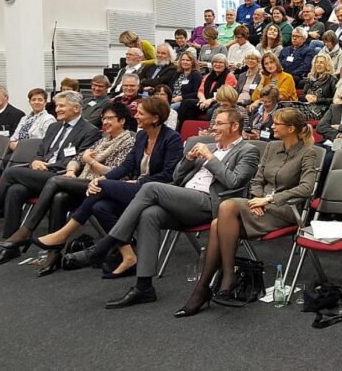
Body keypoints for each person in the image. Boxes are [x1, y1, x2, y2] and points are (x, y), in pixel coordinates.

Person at [66, 108, 260, 309]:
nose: (214, 128)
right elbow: (176, 177)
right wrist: (189, 159)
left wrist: (210, 158)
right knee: (149, 214)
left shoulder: (248, 150)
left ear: (235, 126)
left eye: (219, 123)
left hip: (210, 204)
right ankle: (144, 286)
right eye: (214, 123)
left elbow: (234, 182)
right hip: (184, 198)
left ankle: (105, 245)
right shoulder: (207, 146)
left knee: (150, 188)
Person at [175, 107, 317, 314]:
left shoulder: (308, 153)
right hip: (257, 205)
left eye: (277, 124)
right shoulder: (271, 147)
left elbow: (306, 189)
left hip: (285, 208)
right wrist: (255, 200)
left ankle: (227, 276)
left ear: (291, 128)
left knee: (227, 205)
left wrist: (267, 200)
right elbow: (257, 180)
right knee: (216, 224)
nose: (272, 127)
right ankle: (203, 288)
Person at [36, 98, 183, 271]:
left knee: (99, 187)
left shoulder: (172, 138)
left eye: (141, 113)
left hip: (157, 190)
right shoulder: (142, 136)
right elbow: (127, 166)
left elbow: (168, 175)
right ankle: (129, 256)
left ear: (155, 118)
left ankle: (64, 233)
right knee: (100, 207)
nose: (136, 116)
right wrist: (101, 180)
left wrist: (137, 181)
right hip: (136, 187)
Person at [0, 103, 135, 276]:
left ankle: (26, 230)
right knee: (59, 196)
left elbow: (115, 173)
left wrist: (90, 161)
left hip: (105, 186)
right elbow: (77, 158)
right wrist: (71, 170)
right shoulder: (104, 138)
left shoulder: (130, 140)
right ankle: (53, 253)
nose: (105, 122)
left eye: (109, 118)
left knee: (54, 181)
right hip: (84, 182)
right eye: (103, 118)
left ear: (122, 120)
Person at [0, 91, 102, 251]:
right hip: (41, 174)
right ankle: (10, 245)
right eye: (57, 105)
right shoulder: (53, 127)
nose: (57, 109)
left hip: (63, 176)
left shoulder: (90, 130)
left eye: (62, 106)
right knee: (16, 190)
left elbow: (78, 159)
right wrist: (35, 161)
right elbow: (41, 153)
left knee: (10, 173)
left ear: (77, 108)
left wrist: (48, 166)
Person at [176, 53, 236, 129]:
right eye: (215, 62)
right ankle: (186, 131)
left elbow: (227, 94)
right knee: (189, 108)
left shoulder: (230, 76)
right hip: (204, 101)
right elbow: (200, 91)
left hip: (218, 102)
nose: (217, 64)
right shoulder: (208, 76)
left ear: (225, 65)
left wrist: (209, 101)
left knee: (188, 103)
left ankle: (180, 128)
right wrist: (202, 100)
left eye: (220, 62)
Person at [299, 54, 337, 120]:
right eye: (317, 62)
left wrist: (317, 100)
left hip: (323, 111)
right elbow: (301, 96)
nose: (318, 64)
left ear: (327, 65)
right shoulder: (311, 78)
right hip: (307, 107)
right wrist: (306, 97)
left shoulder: (332, 80)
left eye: (321, 63)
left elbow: (335, 100)